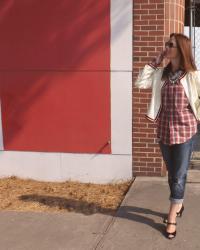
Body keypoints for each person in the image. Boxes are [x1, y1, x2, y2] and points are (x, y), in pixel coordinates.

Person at [135, 33, 200, 239]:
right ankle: (179, 204)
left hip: (186, 131)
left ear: (181, 49)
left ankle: (171, 217)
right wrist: (157, 60)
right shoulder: (160, 73)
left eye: (170, 44)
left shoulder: (192, 75)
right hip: (164, 131)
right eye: (166, 44)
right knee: (173, 174)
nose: (166, 47)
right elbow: (140, 83)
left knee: (179, 176)